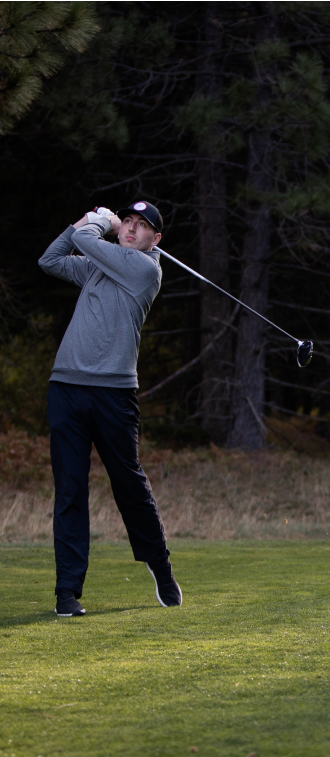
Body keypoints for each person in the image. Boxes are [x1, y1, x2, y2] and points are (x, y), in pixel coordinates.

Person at [39, 201, 182, 617]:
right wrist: (81, 223)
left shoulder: (145, 271)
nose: (132, 230)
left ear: (155, 241)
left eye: (142, 228)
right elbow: (49, 259)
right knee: (69, 489)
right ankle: (67, 592)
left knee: (129, 485)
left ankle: (160, 565)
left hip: (113, 394)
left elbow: (86, 242)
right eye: (129, 223)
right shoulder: (98, 267)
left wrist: (97, 222)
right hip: (66, 386)